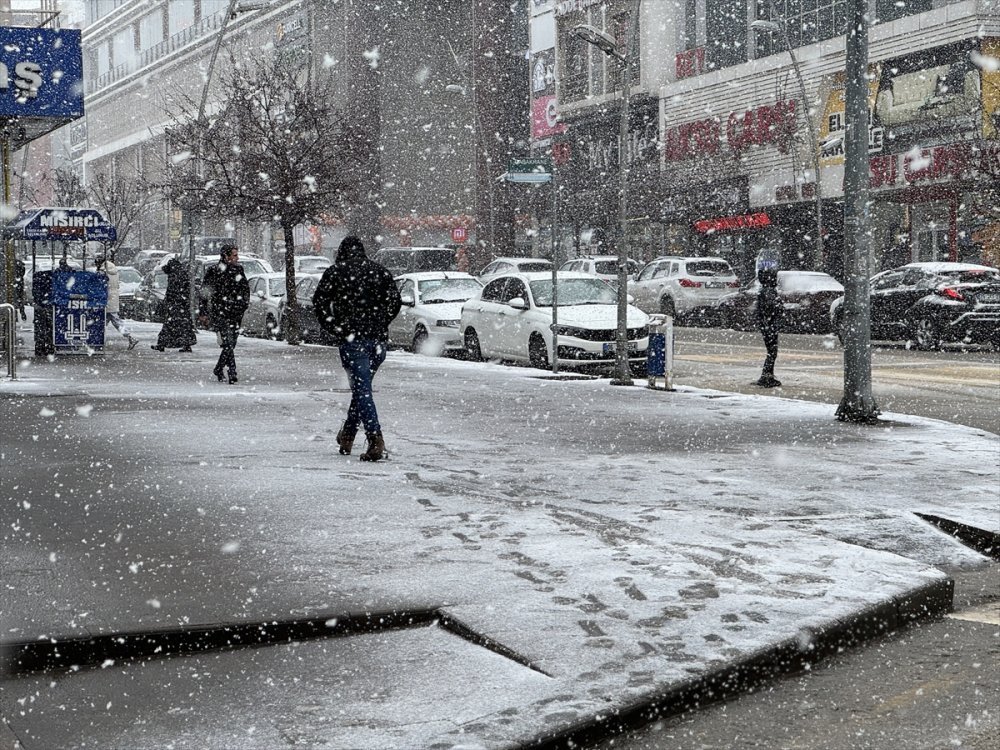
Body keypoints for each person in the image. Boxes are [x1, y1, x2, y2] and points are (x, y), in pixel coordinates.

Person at [313, 236, 402, 462]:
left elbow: (320, 303)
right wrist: (382, 322)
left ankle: (374, 438)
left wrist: (336, 328)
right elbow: (395, 301)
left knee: (362, 390)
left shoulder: (335, 273)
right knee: (362, 389)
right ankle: (348, 435)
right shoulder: (379, 272)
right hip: (378, 341)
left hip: (353, 339)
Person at [198, 244, 250, 384]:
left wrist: (243, 305)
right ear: (225, 256)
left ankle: (219, 367)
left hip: (235, 313)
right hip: (220, 312)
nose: (237, 258)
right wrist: (203, 312)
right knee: (228, 342)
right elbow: (205, 293)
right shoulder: (214, 271)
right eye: (234, 255)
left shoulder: (238, 269)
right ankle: (232, 371)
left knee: (231, 343)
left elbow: (245, 289)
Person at [151, 257, 197, 353]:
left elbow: (171, 291)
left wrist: (168, 302)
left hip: (176, 305)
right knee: (184, 326)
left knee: (169, 326)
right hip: (182, 306)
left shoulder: (174, 276)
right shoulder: (182, 274)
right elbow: (185, 291)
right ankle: (186, 344)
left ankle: (162, 344)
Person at [95, 256, 139, 350]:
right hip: (113, 297)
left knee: (108, 321)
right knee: (109, 321)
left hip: (106, 297)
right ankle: (98, 341)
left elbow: (99, 284)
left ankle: (97, 342)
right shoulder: (113, 270)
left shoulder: (103, 271)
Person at [754, 263, 782, 388]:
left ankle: (767, 375)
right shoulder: (769, 292)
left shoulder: (764, 291)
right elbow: (774, 308)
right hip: (770, 325)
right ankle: (767, 376)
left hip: (767, 325)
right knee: (772, 351)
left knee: (771, 351)